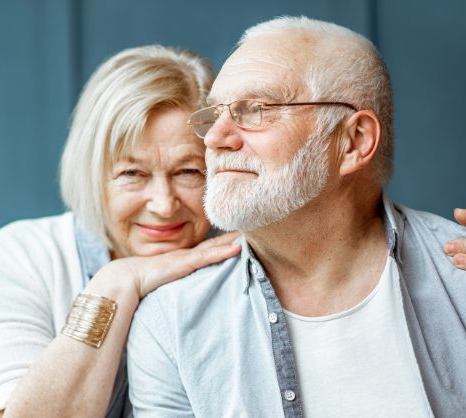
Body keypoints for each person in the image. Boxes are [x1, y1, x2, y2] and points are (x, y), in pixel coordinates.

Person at [127, 16, 466, 417]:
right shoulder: (172, 322)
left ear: (354, 141)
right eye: (214, 114)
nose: (216, 138)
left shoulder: (458, 278)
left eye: (254, 110)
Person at [0, 45, 243, 418]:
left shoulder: (246, 262)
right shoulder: (20, 255)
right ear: (92, 174)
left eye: (187, 171)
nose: (163, 204)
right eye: (132, 174)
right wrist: (117, 283)